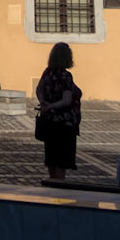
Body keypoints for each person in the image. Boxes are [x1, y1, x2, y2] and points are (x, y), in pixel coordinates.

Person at [34, 41, 82, 182]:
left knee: (51, 159)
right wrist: (52, 105)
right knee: (61, 161)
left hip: (49, 122)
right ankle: (59, 190)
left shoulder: (47, 73)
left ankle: (52, 187)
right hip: (64, 124)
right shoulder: (65, 76)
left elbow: (39, 89)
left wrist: (44, 102)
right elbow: (67, 100)